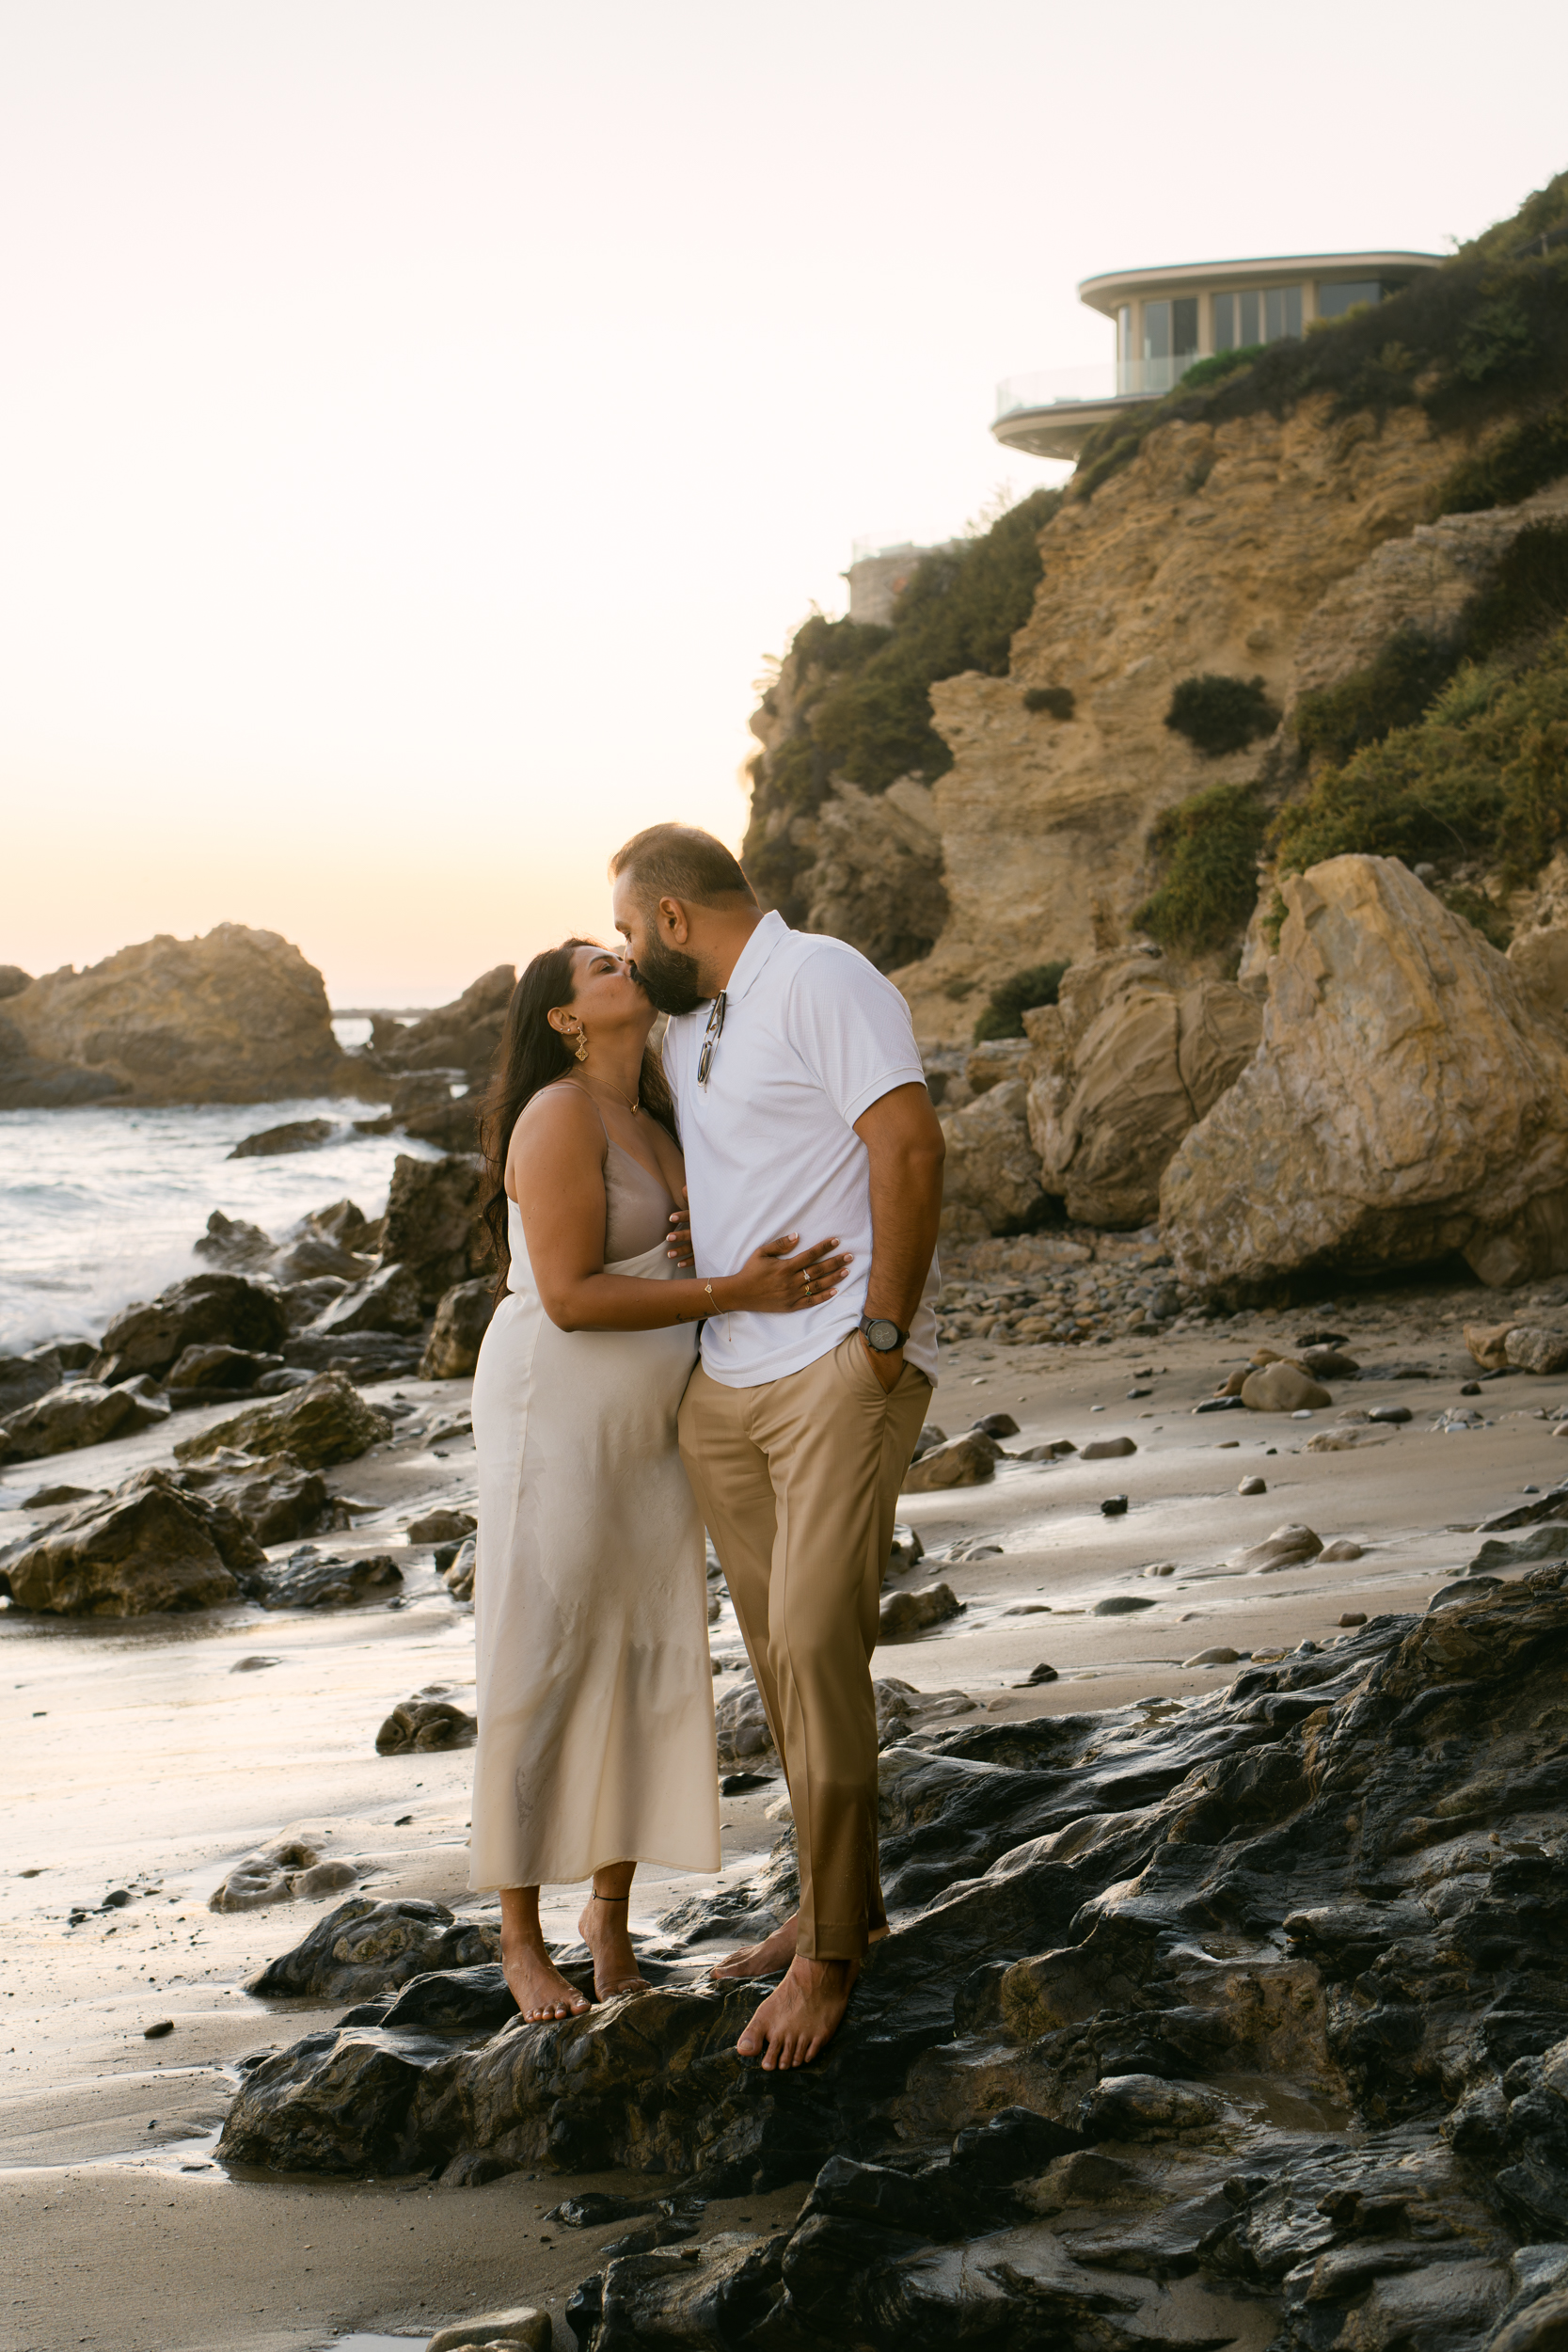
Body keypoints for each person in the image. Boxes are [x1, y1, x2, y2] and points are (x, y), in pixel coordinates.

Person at [610, 824, 945, 2070]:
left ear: (674, 917)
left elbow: (906, 1145)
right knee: (780, 1660)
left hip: (828, 1373)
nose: (622, 953)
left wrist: (882, 1329)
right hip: (725, 1390)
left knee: (814, 1643)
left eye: (624, 932)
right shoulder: (687, 1027)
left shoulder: (822, 978)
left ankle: (830, 1958)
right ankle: (826, 1897)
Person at [468, 938, 851, 2023]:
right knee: (541, 1647)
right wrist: (739, 1289)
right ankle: (518, 1937)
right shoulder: (556, 1116)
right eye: (595, 964)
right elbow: (572, 1296)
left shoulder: (657, 1110)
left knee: (644, 1643)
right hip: (560, 1402)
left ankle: (609, 1918)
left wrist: (731, 1259)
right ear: (562, 1017)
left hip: (652, 1412)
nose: (619, 960)